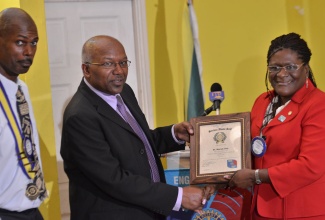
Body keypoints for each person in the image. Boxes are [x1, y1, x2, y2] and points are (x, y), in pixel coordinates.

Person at [60, 35, 209, 220]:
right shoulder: (80, 116)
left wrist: (173, 135)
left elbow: (138, 144)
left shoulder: (125, 92)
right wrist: (178, 197)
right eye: (108, 64)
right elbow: (114, 179)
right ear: (86, 69)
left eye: (123, 62)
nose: (119, 71)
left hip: (147, 211)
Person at [222, 33, 325, 219]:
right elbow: (247, 146)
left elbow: (311, 166)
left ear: (306, 69)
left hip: (301, 212)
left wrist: (255, 176)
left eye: (291, 67)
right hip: (260, 209)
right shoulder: (262, 101)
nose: (282, 74)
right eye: (274, 68)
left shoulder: (319, 104)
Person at [0, 7, 47, 220]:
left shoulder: (21, 89)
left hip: (31, 210)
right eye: (20, 42)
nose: (29, 51)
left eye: (34, 42)